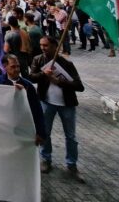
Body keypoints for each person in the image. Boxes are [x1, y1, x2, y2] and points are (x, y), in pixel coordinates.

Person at [29, 37, 85, 182]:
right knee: (45, 132)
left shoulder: (67, 63)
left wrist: (59, 81)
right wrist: (44, 74)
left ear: (55, 46)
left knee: (70, 136)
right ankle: (46, 159)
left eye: (46, 45)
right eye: (41, 45)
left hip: (66, 105)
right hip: (46, 102)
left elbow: (79, 86)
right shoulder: (38, 60)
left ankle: (72, 164)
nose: (43, 48)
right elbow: (32, 77)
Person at [0, 54, 45, 146]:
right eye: (13, 67)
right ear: (5, 67)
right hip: (5, 128)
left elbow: (37, 110)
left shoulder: (28, 86)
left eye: (18, 66)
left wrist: (40, 132)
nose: (17, 69)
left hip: (23, 128)